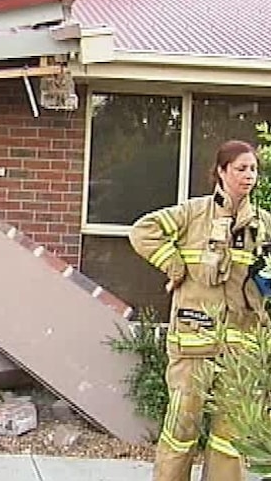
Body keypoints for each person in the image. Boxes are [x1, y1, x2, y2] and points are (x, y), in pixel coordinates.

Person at [129, 139, 271, 481]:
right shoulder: (192, 213)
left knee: (230, 439)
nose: (248, 176)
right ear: (221, 172)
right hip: (193, 346)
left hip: (241, 352)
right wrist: (174, 264)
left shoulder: (264, 224)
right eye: (240, 169)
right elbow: (142, 231)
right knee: (180, 432)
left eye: (253, 169)